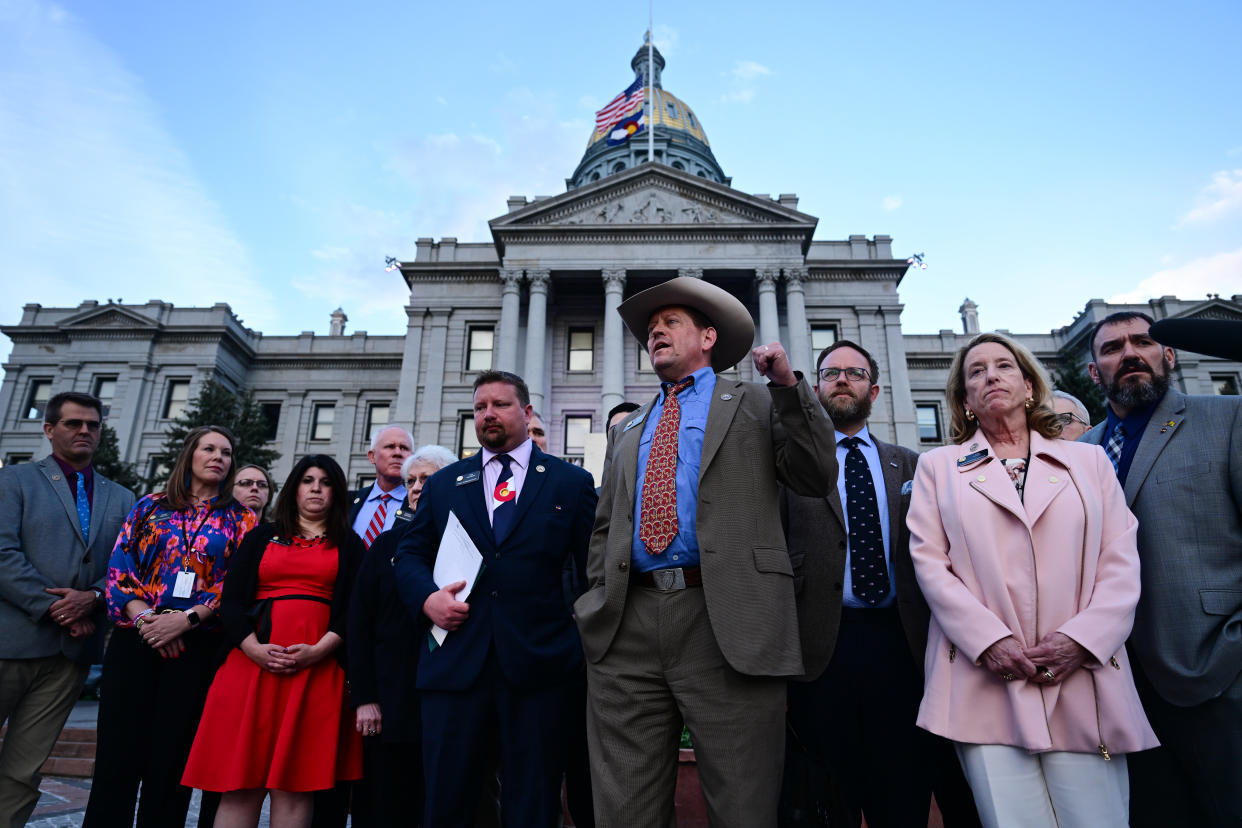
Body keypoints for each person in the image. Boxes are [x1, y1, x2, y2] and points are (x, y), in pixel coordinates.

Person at [577, 276, 835, 828]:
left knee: (742, 805)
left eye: (670, 324)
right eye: (651, 330)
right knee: (623, 809)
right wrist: (598, 598)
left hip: (727, 619)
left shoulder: (757, 401)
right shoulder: (631, 429)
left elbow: (815, 475)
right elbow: (606, 526)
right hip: (628, 627)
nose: (656, 335)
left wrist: (791, 387)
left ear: (709, 336)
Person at [907, 332, 1158, 828]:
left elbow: (1120, 559)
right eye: (976, 371)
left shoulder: (1088, 462)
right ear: (964, 399)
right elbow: (931, 566)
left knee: (1098, 819)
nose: (991, 376)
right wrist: (991, 642)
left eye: (1003, 366)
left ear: (1028, 386)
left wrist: (1081, 640)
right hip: (985, 679)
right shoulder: (938, 468)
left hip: (1082, 674)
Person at [781, 340, 977, 827]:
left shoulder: (914, 465)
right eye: (829, 373)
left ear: (875, 389)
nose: (841, 380)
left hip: (903, 647)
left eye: (854, 372)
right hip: (820, 650)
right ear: (816, 389)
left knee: (902, 794)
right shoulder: (787, 469)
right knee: (829, 800)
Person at [394, 370, 597, 828]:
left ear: (526, 413)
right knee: (449, 802)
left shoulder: (570, 483)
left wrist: (585, 639)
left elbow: (593, 570)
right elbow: (410, 553)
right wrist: (428, 599)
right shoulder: (446, 483)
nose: (487, 414)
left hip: (539, 669)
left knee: (533, 803)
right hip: (456, 666)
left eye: (499, 405)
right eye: (480, 407)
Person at [1083, 311, 1242, 827]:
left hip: (1216, 672)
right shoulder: (1079, 453)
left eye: (1143, 342)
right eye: (1112, 348)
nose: (1129, 353)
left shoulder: (1227, 418)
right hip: (1121, 686)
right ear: (1093, 372)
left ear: (1167, 355)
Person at [83, 425, 257, 827]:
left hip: (195, 648)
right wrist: (148, 621)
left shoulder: (242, 519)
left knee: (171, 761)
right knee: (116, 758)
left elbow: (238, 585)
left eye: (226, 452)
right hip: (135, 642)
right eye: (209, 449)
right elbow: (119, 568)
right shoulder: (150, 506)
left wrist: (186, 620)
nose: (219, 457)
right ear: (189, 456)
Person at [181, 454, 363, 828]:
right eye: (308, 480)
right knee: (239, 784)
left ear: (338, 492)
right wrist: (252, 648)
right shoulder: (260, 536)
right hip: (249, 668)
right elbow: (230, 602)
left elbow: (355, 612)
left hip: (316, 673)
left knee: (295, 787)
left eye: (326, 482)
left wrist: (318, 651)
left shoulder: (351, 545)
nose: (316, 488)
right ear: (294, 488)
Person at [0, 392, 135, 827]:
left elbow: (125, 564)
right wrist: (55, 608)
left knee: (24, 770)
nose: (84, 431)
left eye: (92, 425)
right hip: (11, 639)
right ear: (49, 429)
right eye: (74, 423)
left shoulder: (121, 497)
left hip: (69, 657)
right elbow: (3, 553)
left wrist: (94, 599)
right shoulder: (13, 481)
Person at [348, 444, 456, 828]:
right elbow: (359, 623)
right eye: (411, 480)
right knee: (383, 804)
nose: (415, 487)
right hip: (390, 701)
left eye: (426, 479)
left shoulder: (467, 544)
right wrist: (364, 698)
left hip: (449, 699)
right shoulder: (385, 545)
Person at [349, 426, 413, 547]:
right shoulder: (348, 501)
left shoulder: (420, 506)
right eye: (390, 446)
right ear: (372, 456)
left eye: (404, 448)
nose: (398, 453)